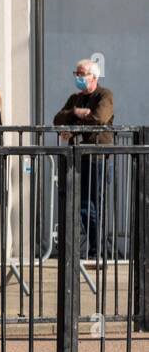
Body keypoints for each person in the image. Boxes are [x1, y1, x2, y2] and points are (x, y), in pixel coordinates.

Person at [53, 58, 115, 259]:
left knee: (93, 204)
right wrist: (75, 112)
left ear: (94, 77)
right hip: (77, 156)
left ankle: (98, 250)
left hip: (96, 156)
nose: (78, 78)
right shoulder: (75, 99)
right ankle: (92, 249)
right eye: (76, 74)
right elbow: (57, 119)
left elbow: (99, 119)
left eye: (82, 74)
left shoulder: (104, 95)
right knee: (81, 205)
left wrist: (73, 130)